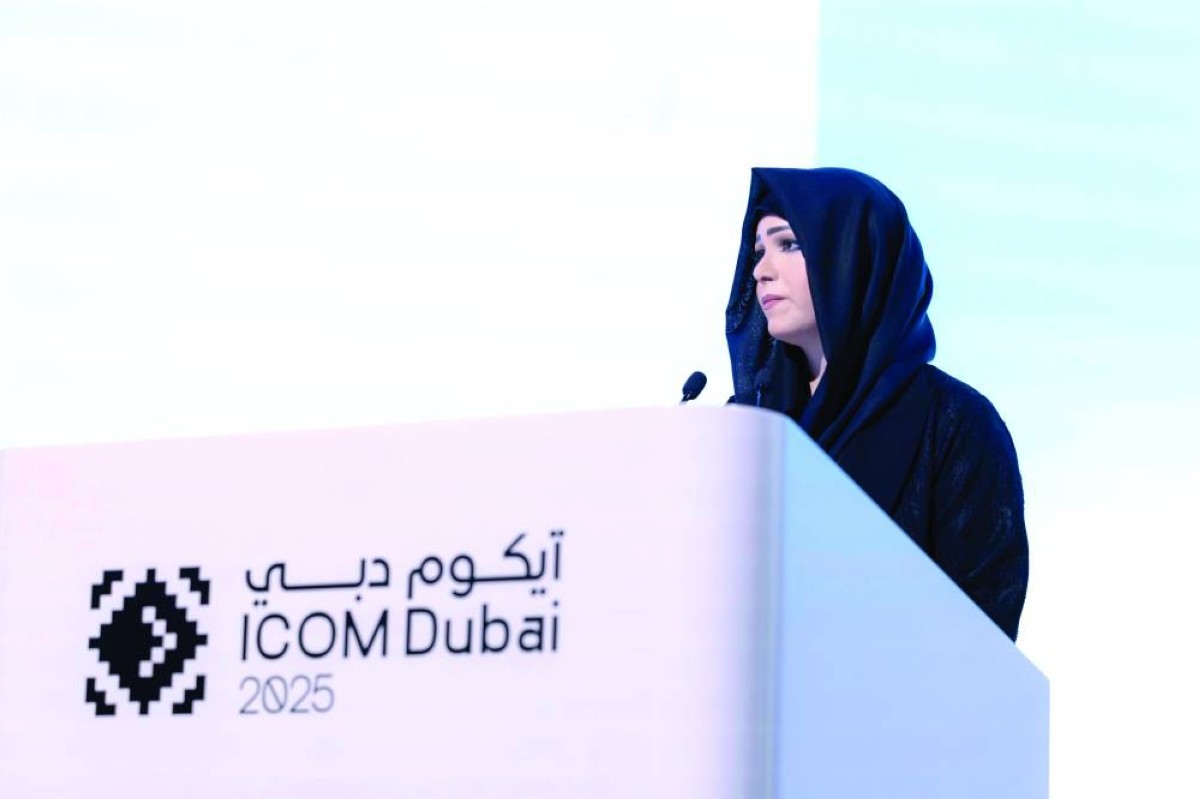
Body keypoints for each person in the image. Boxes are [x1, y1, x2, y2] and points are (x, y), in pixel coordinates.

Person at [726, 167, 1028, 640]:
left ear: (855, 257)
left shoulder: (955, 423)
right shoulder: (745, 424)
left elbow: (985, 620)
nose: (760, 270)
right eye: (759, 250)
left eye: (788, 244)